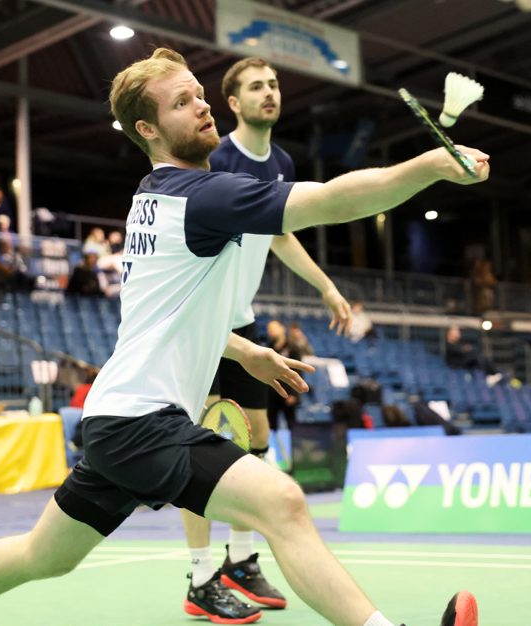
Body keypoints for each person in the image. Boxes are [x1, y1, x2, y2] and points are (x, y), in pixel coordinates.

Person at [0, 47, 487, 626]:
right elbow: (328, 200)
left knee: (47, 555)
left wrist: (246, 349)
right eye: (181, 103)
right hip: (142, 422)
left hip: (119, 418)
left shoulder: (154, 199)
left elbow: (160, 316)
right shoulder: (199, 196)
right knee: (283, 503)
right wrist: (432, 166)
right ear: (147, 130)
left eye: (200, 95)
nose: (203, 107)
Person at [179, 55, 351, 622]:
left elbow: (277, 233)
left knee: (254, 439)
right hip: (205, 322)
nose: (269, 93)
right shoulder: (216, 158)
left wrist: (326, 286)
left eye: (274, 84)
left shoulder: (280, 161)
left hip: (244, 315)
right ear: (232, 102)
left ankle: (242, 558)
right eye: (256, 86)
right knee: (203, 443)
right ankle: (201, 575)